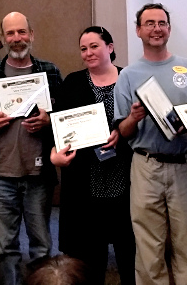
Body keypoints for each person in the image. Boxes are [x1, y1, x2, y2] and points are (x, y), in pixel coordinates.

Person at [113, 3, 187, 284]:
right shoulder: (128, 75)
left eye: (162, 23)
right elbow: (124, 131)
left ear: (169, 28)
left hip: (186, 166)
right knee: (149, 247)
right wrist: (133, 117)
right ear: (138, 30)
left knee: (186, 244)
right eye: (150, 23)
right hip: (146, 166)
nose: (156, 29)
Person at [50, 26, 135, 285]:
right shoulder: (73, 83)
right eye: (83, 49)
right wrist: (55, 154)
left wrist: (122, 133)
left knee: (130, 255)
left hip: (126, 181)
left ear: (110, 47)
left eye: (94, 46)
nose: (88, 53)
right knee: (88, 261)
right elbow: (59, 127)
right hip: (86, 184)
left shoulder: (129, 79)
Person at [0, 12, 63, 285]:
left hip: (38, 174)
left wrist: (48, 120)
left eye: (21, 32)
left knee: (41, 246)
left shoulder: (50, 71)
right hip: (0, 175)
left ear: (32, 33)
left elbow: (65, 118)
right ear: (3, 37)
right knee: (5, 249)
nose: (16, 39)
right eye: (10, 33)